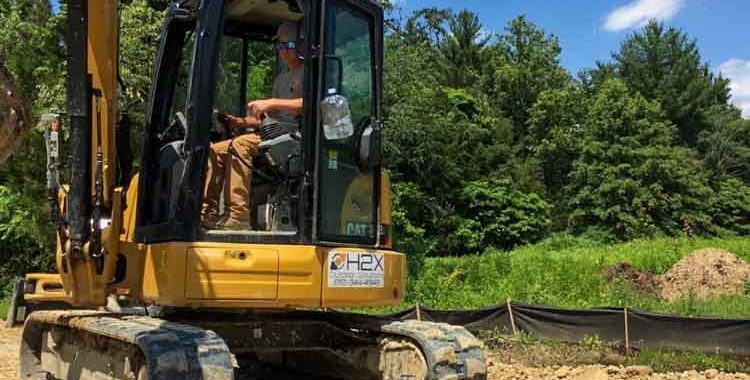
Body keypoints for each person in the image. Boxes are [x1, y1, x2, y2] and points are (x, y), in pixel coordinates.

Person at [202, 21, 304, 230]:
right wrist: (240, 122)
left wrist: (270, 102)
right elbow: (268, 117)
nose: (283, 52)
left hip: (295, 136)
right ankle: (208, 213)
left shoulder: (309, 73)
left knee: (240, 145)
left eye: (288, 46)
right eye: (280, 47)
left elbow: (306, 105)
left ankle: (238, 216)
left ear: (301, 46)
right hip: (273, 133)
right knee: (216, 149)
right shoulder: (281, 79)